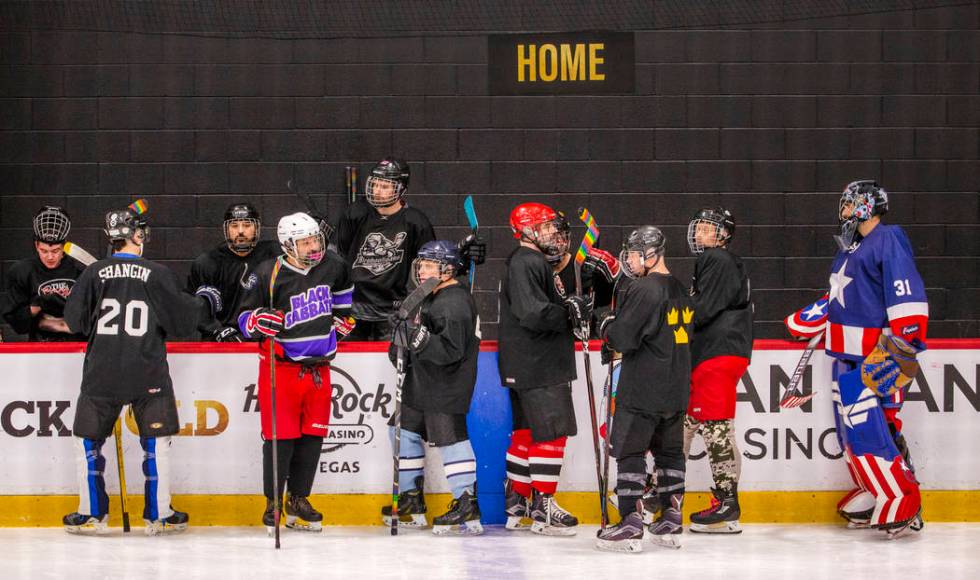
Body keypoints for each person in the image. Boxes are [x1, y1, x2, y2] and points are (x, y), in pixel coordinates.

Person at [785, 180, 927, 538]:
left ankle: (903, 496)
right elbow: (839, 295)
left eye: (849, 204)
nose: (843, 211)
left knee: (875, 427)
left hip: (874, 356)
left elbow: (907, 296)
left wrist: (903, 346)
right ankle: (876, 489)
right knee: (854, 431)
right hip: (845, 356)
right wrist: (810, 317)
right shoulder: (852, 247)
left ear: (866, 206)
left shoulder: (888, 239)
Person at [62, 207, 213, 535]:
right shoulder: (157, 273)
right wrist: (204, 302)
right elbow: (183, 322)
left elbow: (74, 322)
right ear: (136, 235)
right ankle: (158, 515)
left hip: (101, 371)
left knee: (87, 442)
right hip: (147, 370)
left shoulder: (93, 274)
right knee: (156, 443)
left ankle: (91, 514)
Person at [237, 212, 354, 533]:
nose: (313, 246)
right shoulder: (267, 273)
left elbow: (345, 310)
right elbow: (243, 320)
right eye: (305, 242)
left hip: (319, 369)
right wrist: (258, 320)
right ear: (288, 245)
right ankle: (273, 501)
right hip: (281, 369)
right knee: (280, 438)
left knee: (313, 437)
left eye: (315, 239)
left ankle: (299, 498)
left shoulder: (335, 267)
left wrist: (342, 327)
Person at [594, 226, 694, 552]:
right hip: (676, 385)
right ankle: (670, 518)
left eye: (635, 254)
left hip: (644, 385)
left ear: (651, 254)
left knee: (630, 451)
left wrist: (606, 326)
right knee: (669, 453)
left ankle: (630, 522)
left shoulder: (644, 289)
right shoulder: (679, 287)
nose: (631, 260)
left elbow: (623, 337)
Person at [499, 202, 591, 536]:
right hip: (540, 363)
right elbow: (533, 313)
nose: (554, 233)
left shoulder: (527, 261)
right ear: (527, 230)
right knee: (552, 432)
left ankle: (518, 500)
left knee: (526, 432)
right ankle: (544, 505)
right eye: (547, 227)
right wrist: (569, 313)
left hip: (525, 363)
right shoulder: (528, 261)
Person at [381, 241, 482, 535]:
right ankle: (411, 497)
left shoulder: (454, 301)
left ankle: (466, 501)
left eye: (429, 265)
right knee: (402, 428)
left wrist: (416, 338)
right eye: (421, 265)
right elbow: (411, 334)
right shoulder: (428, 295)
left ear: (447, 270)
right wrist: (400, 341)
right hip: (421, 380)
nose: (422, 270)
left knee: (449, 438)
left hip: (446, 383)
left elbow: (451, 350)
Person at [683, 207, 753, 534]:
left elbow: (703, 309)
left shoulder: (716, 260)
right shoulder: (725, 263)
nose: (699, 233)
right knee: (689, 421)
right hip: (722, 354)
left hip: (717, 353)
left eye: (707, 228)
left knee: (716, 427)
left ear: (722, 234)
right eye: (699, 228)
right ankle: (655, 491)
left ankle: (727, 502)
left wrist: (672, 316)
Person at [332, 158, 435, 341]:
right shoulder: (355, 213)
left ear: (401, 188)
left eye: (385, 186)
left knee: (391, 363)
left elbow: (430, 267)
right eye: (375, 184)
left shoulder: (415, 222)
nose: (377, 191)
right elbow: (341, 255)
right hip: (354, 307)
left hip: (392, 310)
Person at [187, 202, 281, 341]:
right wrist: (217, 331)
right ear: (226, 229)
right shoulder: (207, 263)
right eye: (234, 226)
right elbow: (195, 307)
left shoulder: (274, 254)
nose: (241, 231)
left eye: (247, 225)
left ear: (257, 228)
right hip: (221, 343)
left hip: (263, 338)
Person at [2, 206, 86, 341]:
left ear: (64, 246)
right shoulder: (23, 271)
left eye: (55, 251)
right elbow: (18, 326)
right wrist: (36, 306)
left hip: (76, 345)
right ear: (36, 246)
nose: (50, 257)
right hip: (41, 346)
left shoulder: (79, 270)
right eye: (44, 251)